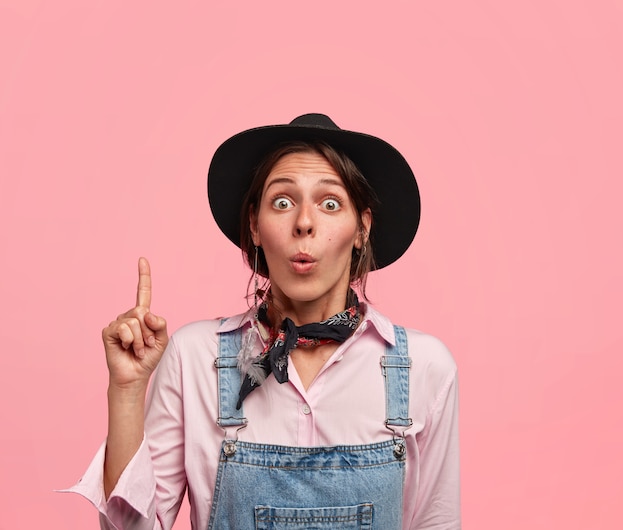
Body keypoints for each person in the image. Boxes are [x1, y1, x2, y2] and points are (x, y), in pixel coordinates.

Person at [66, 113, 460, 529]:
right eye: (283, 202)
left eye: (330, 204)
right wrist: (126, 392)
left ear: (361, 228)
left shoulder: (423, 367)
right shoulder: (194, 358)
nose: (304, 222)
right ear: (255, 225)